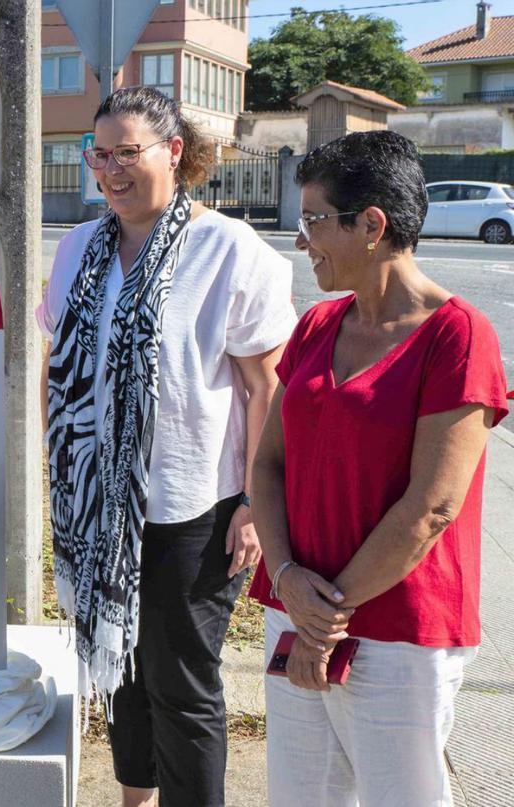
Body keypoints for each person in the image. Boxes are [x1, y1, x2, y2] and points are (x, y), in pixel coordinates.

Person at [40, 87, 296, 807]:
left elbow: (265, 387)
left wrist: (255, 499)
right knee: (121, 666)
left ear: (174, 152)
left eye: (128, 152)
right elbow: (56, 367)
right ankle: (134, 799)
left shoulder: (227, 250)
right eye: (99, 154)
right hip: (98, 509)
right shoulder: (78, 249)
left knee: (182, 681)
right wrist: (57, 480)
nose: (110, 170)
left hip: (193, 506)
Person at [250, 130, 508, 806]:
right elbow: (268, 465)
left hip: (397, 629)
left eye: (313, 220)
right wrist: (285, 579)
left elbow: (432, 508)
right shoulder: (317, 325)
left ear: (372, 224)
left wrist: (323, 617)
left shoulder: (458, 335)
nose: (302, 240)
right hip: (296, 602)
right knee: (301, 797)